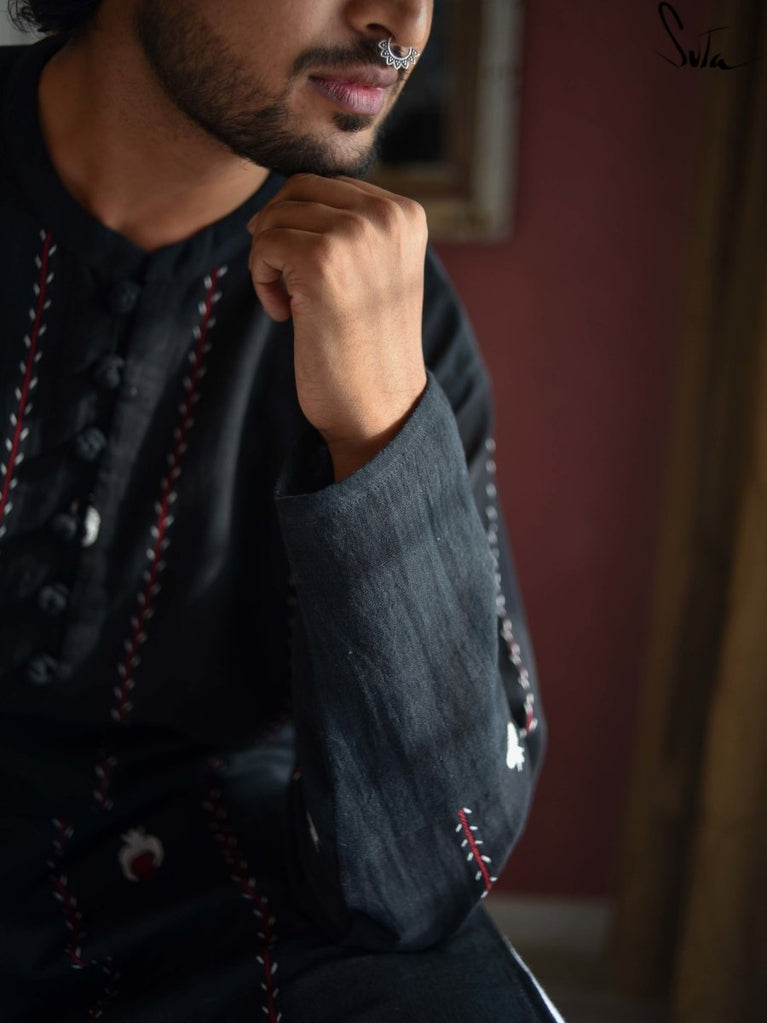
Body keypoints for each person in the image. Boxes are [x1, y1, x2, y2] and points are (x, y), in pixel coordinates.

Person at [0, 1, 558, 1019]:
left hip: (211, 884)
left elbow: (425, 876)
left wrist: (379, 428)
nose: (403, 23)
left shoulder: (399, 319)